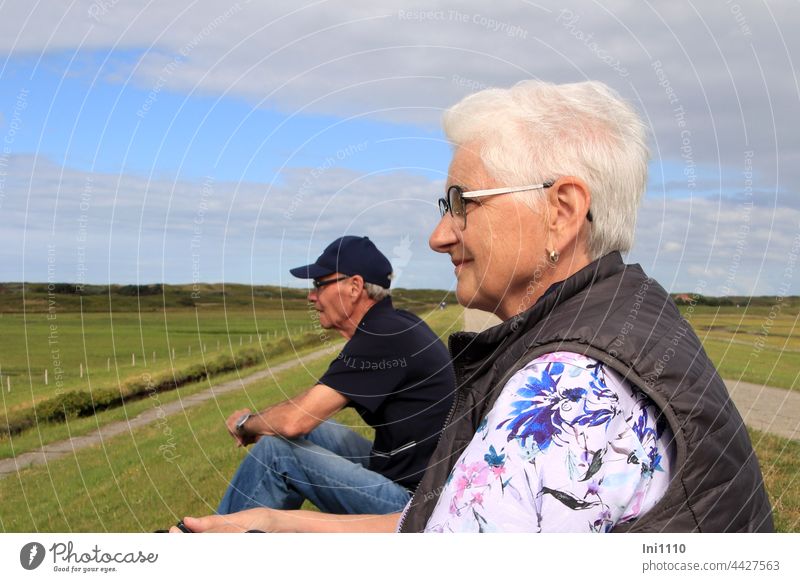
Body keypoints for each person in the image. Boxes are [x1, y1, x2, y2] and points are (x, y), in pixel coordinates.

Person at [173, 80, 773, 533]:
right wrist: (272, 526)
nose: (439, 235)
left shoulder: (563, 392)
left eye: (463, 202)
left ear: (561, 212)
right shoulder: (622, 311)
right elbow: (441, 530)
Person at [215, 235, 455, 516]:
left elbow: (295, 421)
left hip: (418, 505)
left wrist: (246, 424)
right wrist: (264, 423)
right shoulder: (392, 324)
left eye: (319, 284)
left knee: (276, 455)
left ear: (355, 287)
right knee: (316, 431)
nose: (311, 296)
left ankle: (207, 545)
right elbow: (307, 411)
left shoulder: (382, 336)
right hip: (412, 475)